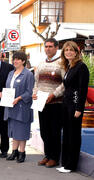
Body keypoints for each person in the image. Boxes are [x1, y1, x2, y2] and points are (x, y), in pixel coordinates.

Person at [56, 41, 89, 173]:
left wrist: (79, 109)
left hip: (74, 106)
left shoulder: (81, 67)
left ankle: (71, 166)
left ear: (76, 52)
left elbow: (82, 90)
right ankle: (65, 163)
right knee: (67, 135)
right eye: (66, 50)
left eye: (71, 50)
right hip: (66, 105)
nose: (68, 52)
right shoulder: (70, 67)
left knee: (73, 136)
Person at [33, 38, 65, 168]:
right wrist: (34, 93)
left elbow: (65, 83)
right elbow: (36, 82)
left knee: (54, 132)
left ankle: (54, 158)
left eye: (51, 46)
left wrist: (54, 94)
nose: (48, 49)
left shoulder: (62, 63)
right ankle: (47, 155)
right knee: (44, 131)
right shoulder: (41, 64)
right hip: (41, 103)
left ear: (56, 48)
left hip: (56, 103)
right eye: (46, 46)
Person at [3, 51, 34, 163]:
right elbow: (8, 88)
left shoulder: (28, 74)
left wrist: (19, 98)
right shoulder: (11, 73)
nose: (15, 61)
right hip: (11, 106)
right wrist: (3, 94)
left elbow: (29, 92)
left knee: (22, 130)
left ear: (23, 61)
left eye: (18, 59)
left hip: (22, 107)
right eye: (14, 59)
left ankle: (22, 152)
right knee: (14, 130)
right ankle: (14, 151)